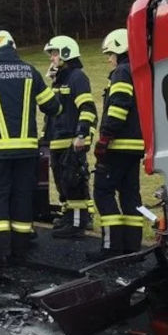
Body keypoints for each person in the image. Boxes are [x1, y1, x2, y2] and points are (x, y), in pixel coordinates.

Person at [0, 30, 60, 266]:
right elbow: (53, 107)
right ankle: (20, 249)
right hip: (27, 150)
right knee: (22, 196)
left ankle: (1, 250)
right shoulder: (30, 71)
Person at [91, 29, 145, 260]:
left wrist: (105, 138)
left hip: (118, 144)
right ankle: (133, 248)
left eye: (111, 53)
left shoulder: (122, 72)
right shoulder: (137, 72)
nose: (108, 58)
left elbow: (119, 106)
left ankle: (111, 248)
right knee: (130, 195)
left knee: (103, 192)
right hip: (135, 145)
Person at [44, 35, 97, 239]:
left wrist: (82, 134)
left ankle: (77, 224)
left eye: (55, 53)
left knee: (74, 182)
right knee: (62, 182)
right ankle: (68, 217)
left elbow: (87, 108)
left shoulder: (77, 77)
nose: (52, 58)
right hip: (58, 140)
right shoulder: (60, 79)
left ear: (66, 53)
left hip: (71, 140)